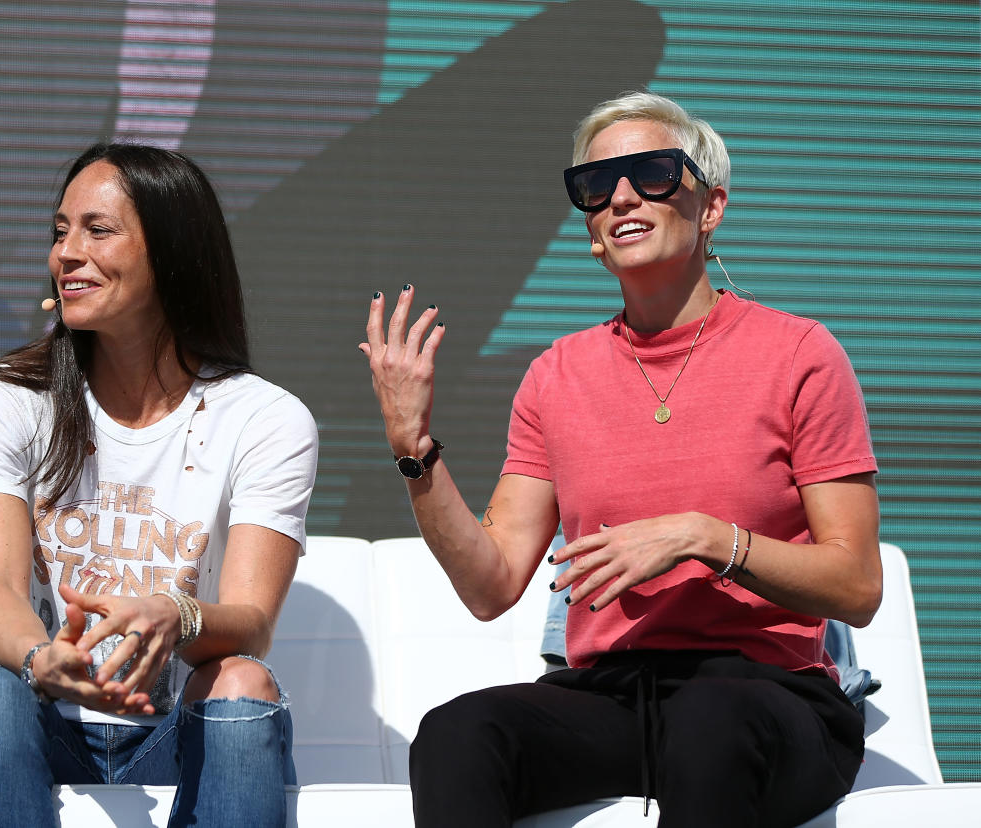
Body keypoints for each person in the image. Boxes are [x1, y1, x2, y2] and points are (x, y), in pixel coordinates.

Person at [360, 91, 881, 827]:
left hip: (771, 695)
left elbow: (856, 584)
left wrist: (704, 538)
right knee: (458, 734)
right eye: (596, 186)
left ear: (711, 207)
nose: (623, 197)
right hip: (614, 692)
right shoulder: (557, 373)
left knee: (709, 721)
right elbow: (491, 583)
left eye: (655, 173)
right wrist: (415, 452)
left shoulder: (799, 354)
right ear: (592, 232)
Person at [0, 143, 318, 827]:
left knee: (243, 680)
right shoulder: (2, 398)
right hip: (38, 728)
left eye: (96, 230)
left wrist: (177, 615)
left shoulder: (266, 418)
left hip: (172, 735)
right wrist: (40, 657)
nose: (66, 252)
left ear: (170, 253)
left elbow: (251, 624)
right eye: (60, 231)